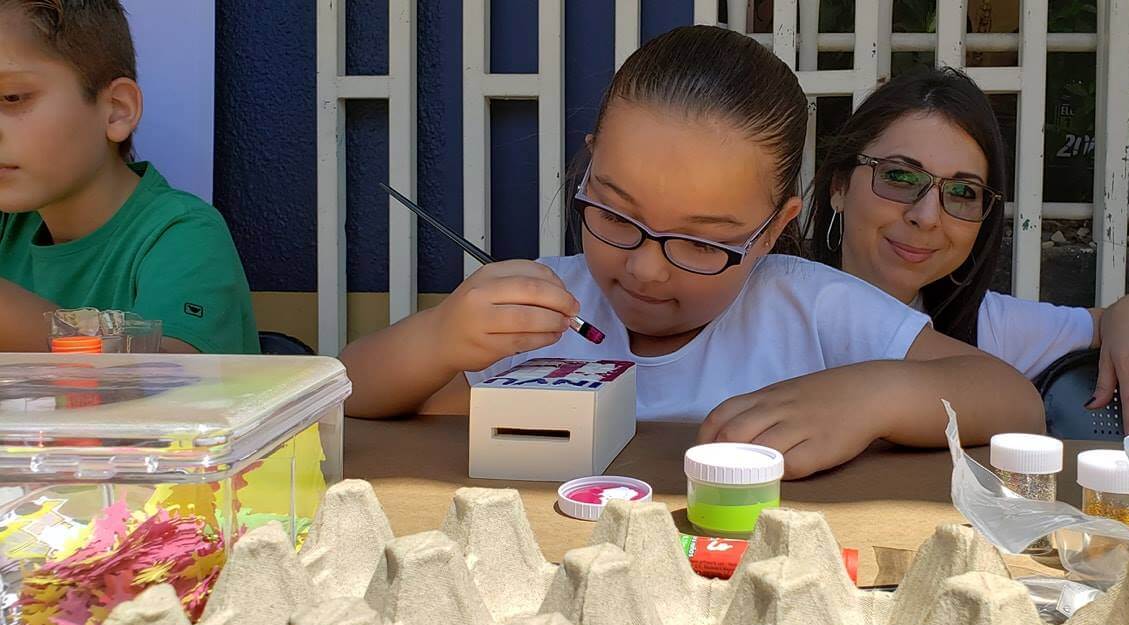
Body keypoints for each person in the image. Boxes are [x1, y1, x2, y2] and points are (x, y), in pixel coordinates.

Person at [341, 26, 1043, 479]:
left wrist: (872, 395)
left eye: (702, 241)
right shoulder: (544, 303)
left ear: (773, 230)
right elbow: (342, 395)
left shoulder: (810, 305)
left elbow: (1014, 401)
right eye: (615, 214)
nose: (645, 269)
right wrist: (439, 338)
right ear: (589, 170)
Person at [808, 67, 1129, 435]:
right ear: (838, 187)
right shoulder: (769, 302)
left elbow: (1106, 322)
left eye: (962, 193)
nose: (926, 217)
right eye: (899, 176)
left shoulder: (986, 328)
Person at [0, 0, 259, 354]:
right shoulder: (9, 224)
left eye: (12, 97)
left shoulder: (181, 233)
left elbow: (169, 374)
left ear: (117, 110)